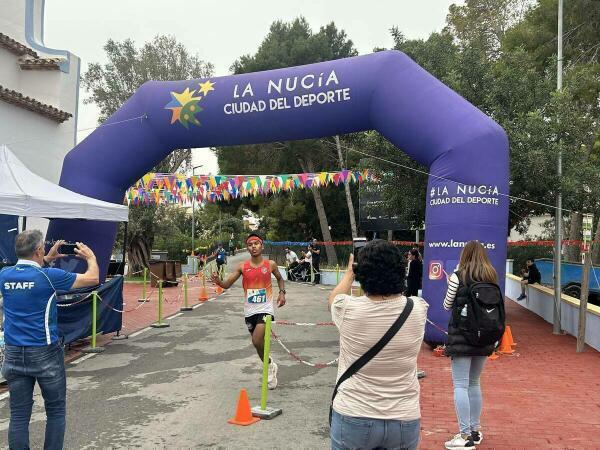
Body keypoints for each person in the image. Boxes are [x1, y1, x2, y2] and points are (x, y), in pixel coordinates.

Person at [0, 230, 100, 450]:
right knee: (55, 410)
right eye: (42, 248)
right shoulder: (48, 277)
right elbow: (92, 278)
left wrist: (45, 259)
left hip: (14, 352)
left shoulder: (4, 275)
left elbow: (28, 274)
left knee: (18, 413)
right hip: (45, 351)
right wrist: (91, 258)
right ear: (38, 250)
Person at [328, 240, 428, 450]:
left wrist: (349, 273)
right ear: (401, 270)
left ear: (360, 272)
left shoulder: (346, 309)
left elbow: (335, 297)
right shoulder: (418, 309)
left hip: (354, 412)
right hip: (404, 417)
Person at [443, 241, 499, 449]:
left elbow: (447, 304)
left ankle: (465, 436)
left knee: (460, 385)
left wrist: (452, 281)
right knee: (474, 383)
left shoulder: (458, 276)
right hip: (484, 336)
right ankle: (475, 431)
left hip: (462, 337)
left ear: (464, 255)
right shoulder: (491, 276)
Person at [212, 233, 286, 389]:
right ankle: (270, 365)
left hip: (265, 309)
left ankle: (269, 366)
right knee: (258, 344)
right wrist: (218, 281)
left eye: (256, 243)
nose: (253, 246)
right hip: (250, 311)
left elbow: (280, 278)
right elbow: (226, 285)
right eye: (250, 244)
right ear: (247, 248)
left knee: (257, 340)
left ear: (262, 246)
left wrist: (282, 293)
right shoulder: (242, 267)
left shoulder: (270, 264)